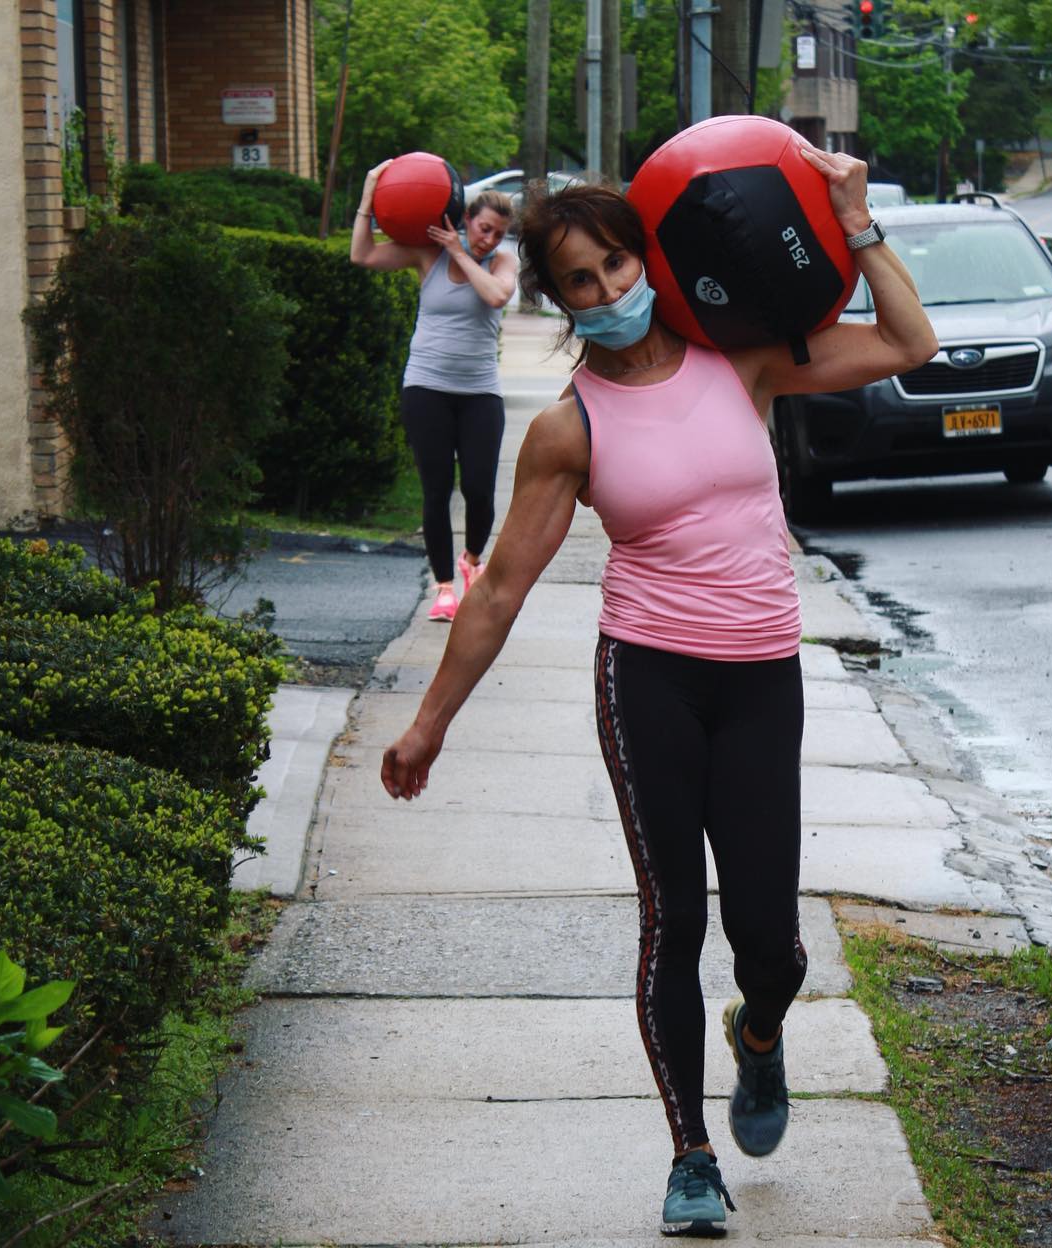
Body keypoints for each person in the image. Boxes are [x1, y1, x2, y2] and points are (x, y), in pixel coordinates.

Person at [379, 150, 937, 1235]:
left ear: (649, 261)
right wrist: (427, 724)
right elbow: (494, 596)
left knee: (770, 943)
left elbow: (913, 343)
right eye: (578, 281)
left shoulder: (743, 362)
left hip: (762, 675)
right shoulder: (565, 433)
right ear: (559, 299)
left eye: (615, 265)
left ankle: (760, 1035)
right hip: (651, 679)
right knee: (674, 919)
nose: (603, 292)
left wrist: (857, 223)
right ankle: (689, 1155)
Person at [351, 161, 520, 622]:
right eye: (483, 228)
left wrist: (462, 252)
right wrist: (369, 197)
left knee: (480, 490)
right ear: (467, 220)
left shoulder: (502, 260)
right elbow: (362, 256)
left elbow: (496, 296)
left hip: (480, 392)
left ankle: (472, 563)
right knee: (436, 489)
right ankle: (444, 587)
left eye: (497, 233)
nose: (489, 239)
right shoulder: (428, 255)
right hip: (426, 386)